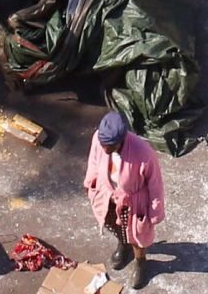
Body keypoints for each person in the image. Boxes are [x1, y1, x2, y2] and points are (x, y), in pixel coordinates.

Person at [84, 109, 165, 287]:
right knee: (115, 225)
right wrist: (90, 184)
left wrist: (155, 212)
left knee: (138, 234)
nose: (105, 149)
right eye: (103, 144)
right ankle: (123, 245)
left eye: (110, 146)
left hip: (134, 202)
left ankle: (140, 261)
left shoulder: (144, 153)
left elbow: (155, 185)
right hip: (109, 196)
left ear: (121, 140)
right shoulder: (99, 139)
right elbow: (94, 162)